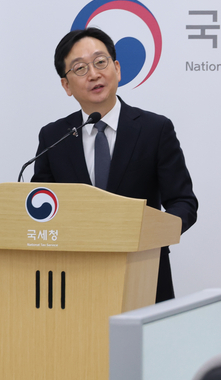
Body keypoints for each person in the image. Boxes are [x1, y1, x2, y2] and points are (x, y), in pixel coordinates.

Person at [31, 27, 197, 302]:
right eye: (80, 68)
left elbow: (183, 203)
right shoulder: (54, 137)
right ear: (66, 86)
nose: (94, 74)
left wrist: (150, 234)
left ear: (117, 69)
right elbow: (43, 206)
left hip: (144, 272)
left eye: (100, 62)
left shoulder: (155, 129)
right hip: (74, 278)